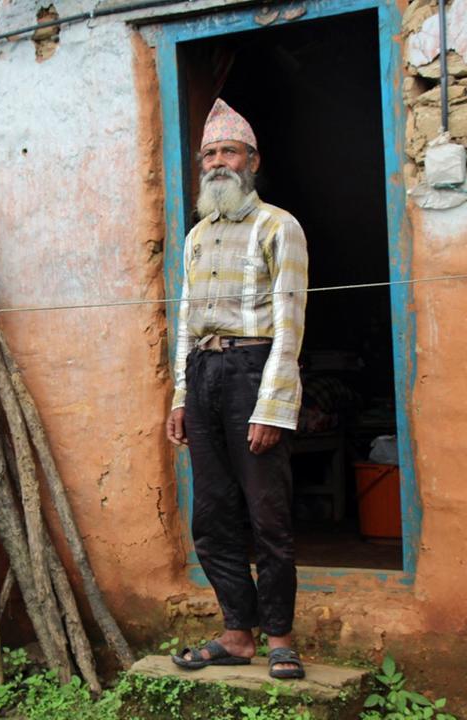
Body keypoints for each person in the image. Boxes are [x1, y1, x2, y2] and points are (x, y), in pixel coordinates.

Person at [165, 98, 309, 680]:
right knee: (213, 514)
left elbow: (291, 317)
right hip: (203, 373)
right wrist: (179, 395)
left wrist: (273, 404)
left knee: (267, 514)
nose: (218, 162)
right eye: (209, 154)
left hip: (254, 370)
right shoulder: (197, 236)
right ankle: (236, 633)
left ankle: (279, 637)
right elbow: (185, 319)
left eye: (229, 152)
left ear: (252, 161)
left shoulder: (280, 226)